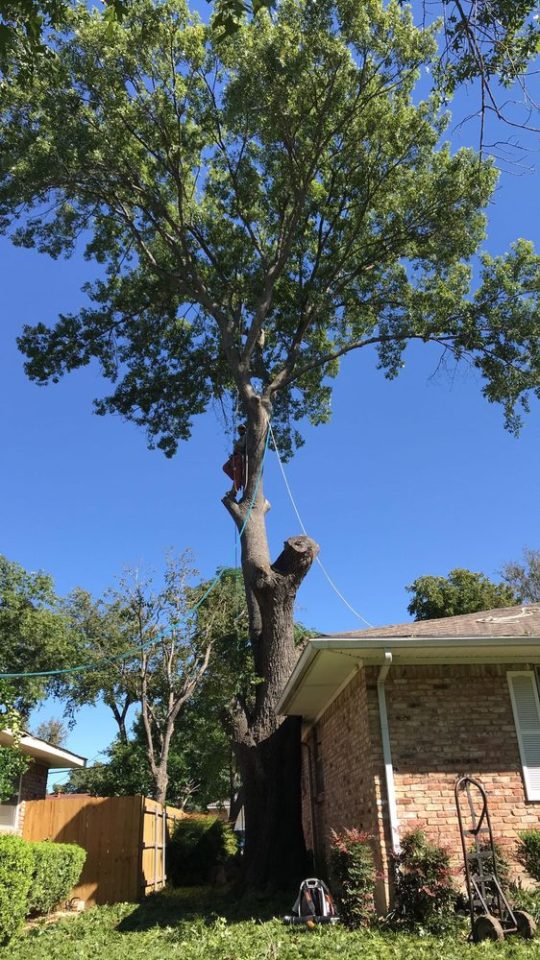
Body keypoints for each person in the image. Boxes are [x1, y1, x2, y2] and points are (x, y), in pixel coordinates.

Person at [222, 425, 247, 497]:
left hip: (240, 457)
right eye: (239, 429)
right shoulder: (240, 438)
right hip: (235, 457)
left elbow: (242, 446)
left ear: (244, 430)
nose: (240, 430)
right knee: (225, 467)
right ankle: (238, 480)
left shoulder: (245, 436)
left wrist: (236, 443)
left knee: (237, 472)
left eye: (242, 429)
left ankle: (235, 490)